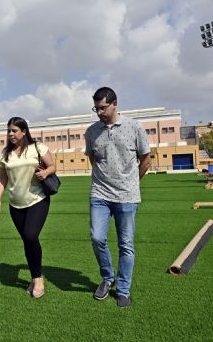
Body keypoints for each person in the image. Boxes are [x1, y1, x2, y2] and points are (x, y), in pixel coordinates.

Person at [85, 87, 151, 308]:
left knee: (126, 245)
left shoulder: (135, 127)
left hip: (127, 196)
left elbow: (146, 160)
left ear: (115, 104)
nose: (99, 112)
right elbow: (93, 160)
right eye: (96, 108)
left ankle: (123, 290)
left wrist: (131, 183)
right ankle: (107, 278)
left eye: (102, 107)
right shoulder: (92, 131)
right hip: (100, 194)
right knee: (97, 238)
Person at [0, 117, 56, 299]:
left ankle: (38, 279)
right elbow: (3, 178)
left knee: (30, 235)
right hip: (15, 204)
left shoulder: (38, 148)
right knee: (28, 241)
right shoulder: (5, 154)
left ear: (24, 131)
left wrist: (45, 172)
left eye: (14, 131)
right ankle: (35, 275)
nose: (11, 134)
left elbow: (52, 166)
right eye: (9, 131)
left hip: (38, 199)